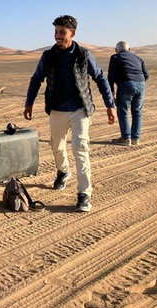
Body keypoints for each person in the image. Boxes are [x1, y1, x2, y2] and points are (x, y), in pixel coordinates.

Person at [23, 15, 116, 213]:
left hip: (80, 109)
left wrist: (110, 105)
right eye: (56, 32)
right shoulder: (49, 56)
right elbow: (36, 79)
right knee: (57, 147)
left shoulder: (83, 54)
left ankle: (84, 194)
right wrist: (29, 103)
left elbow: (100, 78)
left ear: (72, 33)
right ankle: (63, 171)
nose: (57, 36)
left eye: (62, 32)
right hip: (57, 109)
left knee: (80, 148)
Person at [108, 41, 149, 146]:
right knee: (137, 112)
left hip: (126, 84)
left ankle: (126, 138)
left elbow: (111, 76)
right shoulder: (138, 58)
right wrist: (138, 83)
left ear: (116, 50)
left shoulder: (115, 57)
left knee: (123, 111)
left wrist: (111, 91)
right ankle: (135, 138)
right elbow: (146, 75)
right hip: (141, 84)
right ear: (129, 49)